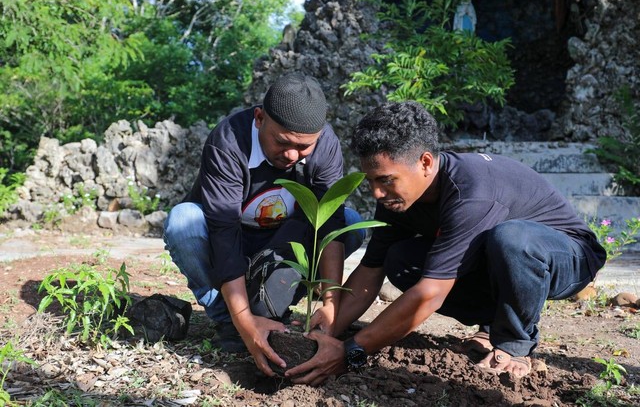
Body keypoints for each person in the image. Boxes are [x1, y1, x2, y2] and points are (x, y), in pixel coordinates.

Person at [285, 101, 607, 385]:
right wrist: (328, 328)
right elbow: (371, 271)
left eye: (386, 180)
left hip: (566, 255)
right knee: (400, 259)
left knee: (511, 240)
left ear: (425, 162)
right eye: (371, 181)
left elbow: (430, 295)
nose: (377, 193)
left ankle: (513, 346)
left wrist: (352, 352)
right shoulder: (396, 198)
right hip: (499, 258)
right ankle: (492, 324)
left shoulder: (471, 192)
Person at [163, 72, 364, 377]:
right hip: (231, 243)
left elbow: (330, 225)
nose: (292, 155)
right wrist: (244, 321)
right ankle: (228, 318)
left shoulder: (325, 146)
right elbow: (223, 231)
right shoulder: (229, 142)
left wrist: (331, 304)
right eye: (282, 142)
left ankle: (273, 312)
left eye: (304, 147)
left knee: (351, 222)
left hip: (283, 245)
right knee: (184, 222)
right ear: (259, 118)